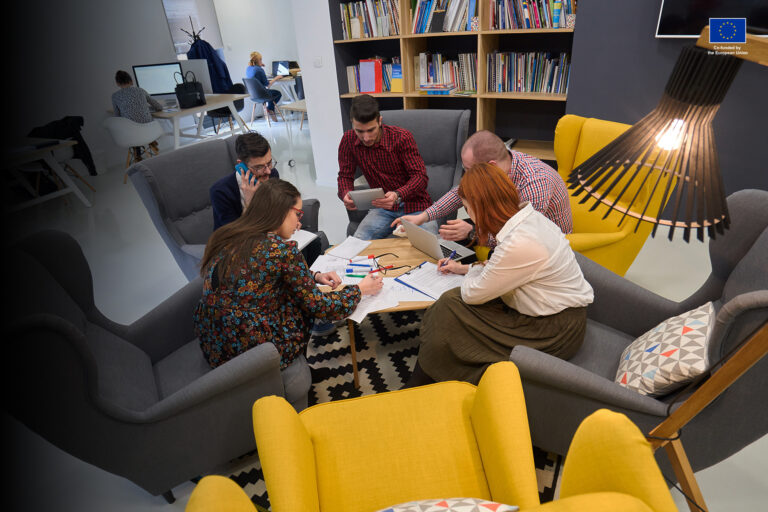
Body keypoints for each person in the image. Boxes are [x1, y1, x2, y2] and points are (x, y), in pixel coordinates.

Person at [405, 163, 593, 388]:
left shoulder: (519, 243)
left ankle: (427, 378)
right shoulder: (528, 219)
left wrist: (472, 274)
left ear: (477, 207)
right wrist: (464, 269)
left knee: (450, 305)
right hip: (548, 313)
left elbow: (473, 293)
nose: (470, 217)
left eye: (467, 208)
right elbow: (504, 268)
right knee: (450, 307)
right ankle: (430, 372)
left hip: (552, 330)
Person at [195, 179, 384, 369]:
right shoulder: (282, 251)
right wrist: (360, 289)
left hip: (215, 343)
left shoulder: (230, 236)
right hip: (253, 352)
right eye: (297, 214)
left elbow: (262, 274)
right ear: (280, 212)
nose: (300, 223)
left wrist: (315, 276)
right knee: (303, 304)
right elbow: (322, 307)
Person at [393, 130, 573, 250]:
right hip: (505, 229)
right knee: (447, 243)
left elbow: (518, 239)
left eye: (469, 170)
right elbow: (459, 192)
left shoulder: (534, 183)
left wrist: (473, 233)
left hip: (542, 246)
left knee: (462, 240)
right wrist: (422, 217)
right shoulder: (502, 165)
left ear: (491, 165)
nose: (467, 176)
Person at [337, 94, 435, 240]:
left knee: (428, 246)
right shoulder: (348, 140)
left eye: (371, 130)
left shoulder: (401, 138)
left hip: (416, 205)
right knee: (357, 243)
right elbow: (345, 175)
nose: (366, 138)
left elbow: (420, 177)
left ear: (380, 121)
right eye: (360, 131)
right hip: (383, 209)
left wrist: (398, 194)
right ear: (352, 123)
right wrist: (345, 193)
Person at [111, 70, 162, 160]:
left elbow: (117, 117)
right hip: (149, 130)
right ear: (131, 81)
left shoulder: (115, 96)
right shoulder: (140, 90)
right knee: (143, 123)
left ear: (117, 83)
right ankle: (151, 141)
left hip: (131, 133)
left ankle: (137, 154)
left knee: (131, 127)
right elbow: (158, 106)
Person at [245, 51, 282, 121]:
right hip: (262, 95)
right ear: (258, 60)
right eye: (260, 59)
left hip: (253, 96)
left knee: (270, 93)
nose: (261, 61)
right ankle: (270, 108)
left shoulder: (248, 68)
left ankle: (270, 109)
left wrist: (259, 66)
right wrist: (277, 77)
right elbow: (267, 85)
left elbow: (255, 74)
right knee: (278, 93)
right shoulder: (259, 70)